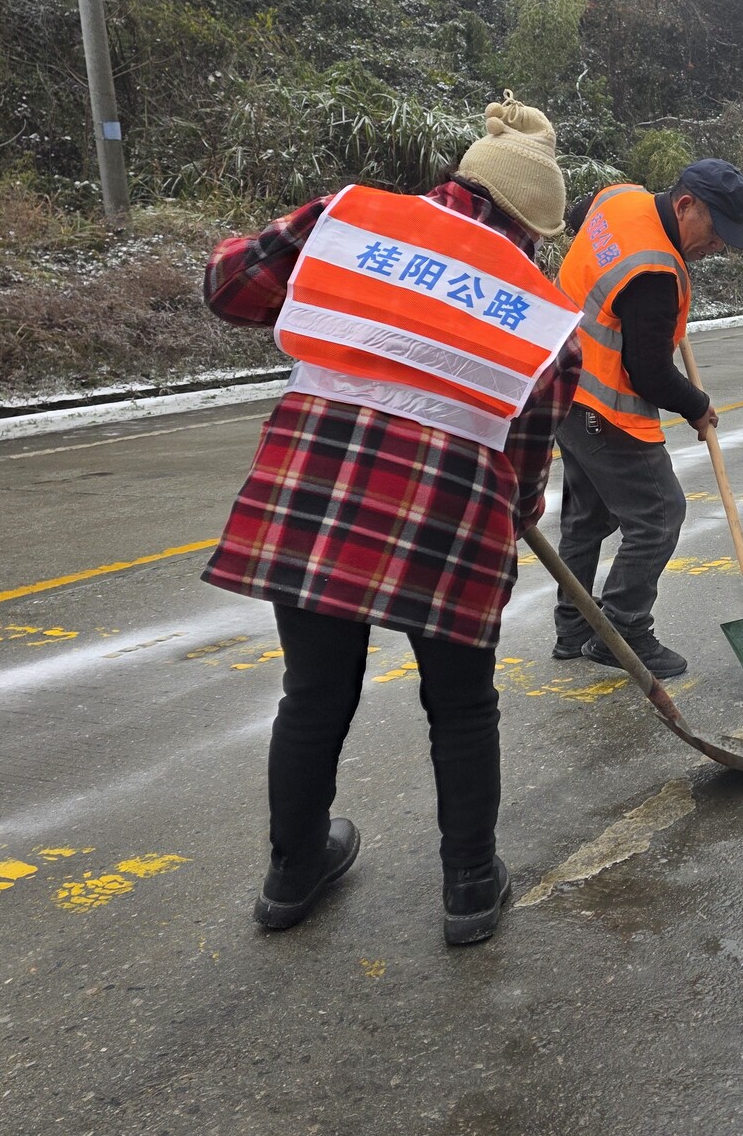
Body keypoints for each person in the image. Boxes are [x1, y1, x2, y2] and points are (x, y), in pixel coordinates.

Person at [203, 92, 582, 946]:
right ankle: (470, 889)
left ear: (462, 182)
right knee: (462, 706)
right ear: (532, 226)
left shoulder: (348, 219)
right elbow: (525, 465)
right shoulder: (547, 315)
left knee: (313, 693)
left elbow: (229, 287)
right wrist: (516, 517)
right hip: (450, 524)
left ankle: (292, 873)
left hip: (313, 498)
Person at [550, 160, 743, 679]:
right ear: (685, 206)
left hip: (560, 388)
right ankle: (624, 630)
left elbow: (580, 217)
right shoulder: (654, 275)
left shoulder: (619, 199)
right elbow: (650, 375)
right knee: (659, 515)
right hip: (602, 410)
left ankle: (574, 630)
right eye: (716, 232)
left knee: (588, 518)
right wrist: (697, 405)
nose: (719, 247)